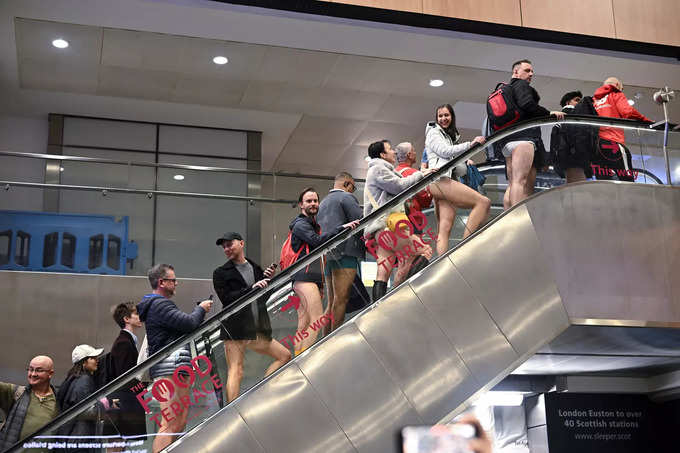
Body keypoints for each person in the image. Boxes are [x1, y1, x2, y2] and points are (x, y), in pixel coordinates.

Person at [136, 264, 213, 453]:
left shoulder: (157, 305)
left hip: (175, 367)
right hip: (169, 367)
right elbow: (189, 323)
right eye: (173, 280)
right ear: (162, 282)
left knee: (178, 423)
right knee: (170, 423)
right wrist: (201, 309)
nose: (176, 283)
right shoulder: (159, 304)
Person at [213, 232, 291, 402]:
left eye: (229, 244)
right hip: (236, 328)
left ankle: (262, 392)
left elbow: (262, 298)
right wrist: (252, 288)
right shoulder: (220, 272)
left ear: (241, 243)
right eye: (224, 246)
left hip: (257, 328)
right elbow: (227, 299)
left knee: (285, 356)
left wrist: (267, 281)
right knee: (236, 370)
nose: (226, 249)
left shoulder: (255, 268)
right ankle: (231, 412)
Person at [289, 187, 359, 355]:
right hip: (305, 277)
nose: (313, 204)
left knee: (304, 324)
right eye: (308, 201)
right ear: (301, 205)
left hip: (306, 277)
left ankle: (296, 360)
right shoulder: (301, 224)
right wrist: (341, 228)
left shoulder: (310, 224)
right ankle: (304, 361)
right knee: (317, 320)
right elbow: (317, 241)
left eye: (315, 201)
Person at [364, 140, 434, 301]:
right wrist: (420, 174)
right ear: (382, 154)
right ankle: (401, 298)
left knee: (383, 271)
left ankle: (377, 310)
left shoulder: (376, 170)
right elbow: (399, 186)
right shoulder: (379, 169)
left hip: (381, 230)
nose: (394, 152)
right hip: (390, 225)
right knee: (424, 251)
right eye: (390, 149)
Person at [495, 59, 565, 208]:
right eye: (527, 70)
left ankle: (508, 220)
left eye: (532, 71)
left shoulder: (505, 89)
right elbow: (527, 104)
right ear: (516, 72)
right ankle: (519, 220)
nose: (531, 74)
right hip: (523, 138)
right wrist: (548, 113)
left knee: (513, 183)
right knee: (522, 182)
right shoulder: (520, 84)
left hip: (506, 140)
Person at [425, 105, 492, 255]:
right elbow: (444, 151)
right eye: (440, 116)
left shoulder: (448, 136)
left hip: (441, 181)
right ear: (436, 118)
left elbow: (449, 158)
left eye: (446, 115)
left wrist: (466, 160)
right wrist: (470, 145)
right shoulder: (434, 132)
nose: (443, 119)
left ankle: (442, 264)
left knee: (445, 228)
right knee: (483, 202)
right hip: (440, 180)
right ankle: (464, 248)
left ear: (452, 117)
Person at [317, 172, 365, 332]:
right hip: (345, 253)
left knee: (331, 302)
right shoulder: (346, 198)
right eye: (353, 186)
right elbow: (360, 221)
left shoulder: (323, 202)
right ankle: (333, 340)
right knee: (341, 299)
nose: (353, 190)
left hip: (328, 256)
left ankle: (324, 341)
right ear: (346, 184)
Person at [592, 77, 652, 181]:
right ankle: (630, 197)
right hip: (613, 143)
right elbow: (627, 112)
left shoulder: (593, 102)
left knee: (603, 182)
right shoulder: (616, 94)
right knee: (627, 179)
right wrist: (646, 121)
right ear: (617, 85)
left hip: (596, 146)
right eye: (622, 88)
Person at [105, 302, 146, 443]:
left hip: (122, 401)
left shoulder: (127, 341)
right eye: (136, 314)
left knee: (119, 443)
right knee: (118, 444)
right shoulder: (124, 342)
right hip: (123, 403)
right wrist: (143, 387)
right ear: (126, 319)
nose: (140, 317)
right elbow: (125, 376)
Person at [0, 356, 59, 451]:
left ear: (50, 373)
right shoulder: (17, 393)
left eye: (39, 370)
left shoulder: (59, 400)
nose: (33, 374)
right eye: (30, 369)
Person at [56, 344, 104, 453]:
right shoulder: (84, 380)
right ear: (83, 362)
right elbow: (88, 411)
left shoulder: (72, 379)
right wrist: (107, 403)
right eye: (92, 358)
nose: (97, 360)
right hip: (81, 440)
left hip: (72, 438)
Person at [551, 90, 594, 183]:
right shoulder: (570, 115)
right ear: (568, 102)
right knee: (577, 184)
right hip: (573, 155)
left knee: (573, 182)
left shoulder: (561, 119)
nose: (580, 103)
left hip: (566, 156)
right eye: (577, 100)